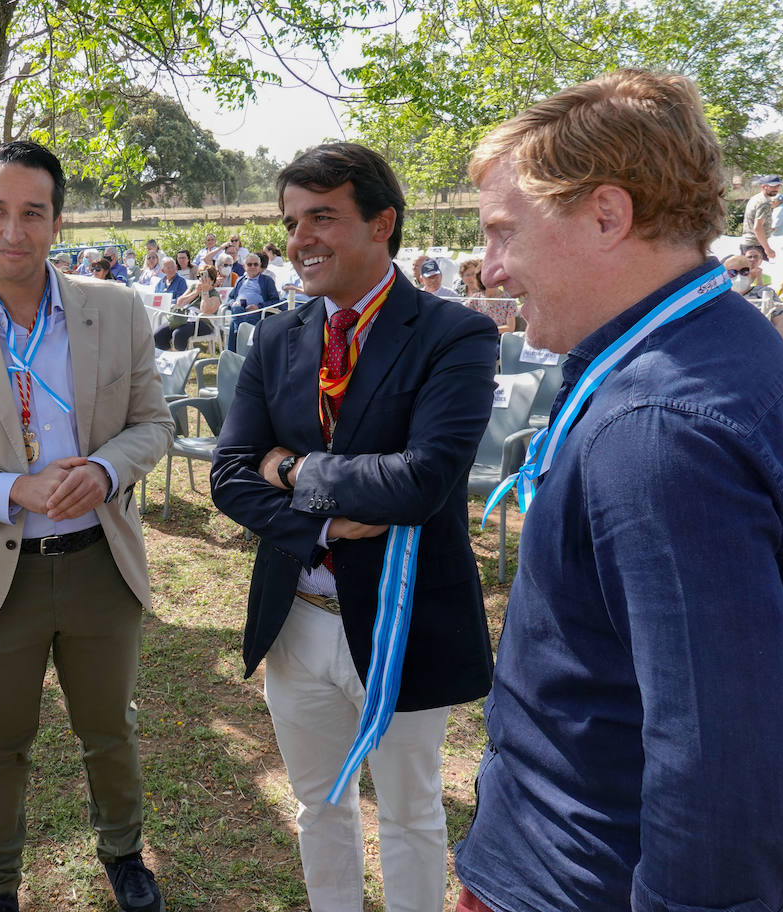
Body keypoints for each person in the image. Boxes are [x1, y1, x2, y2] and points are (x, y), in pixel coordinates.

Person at [453, 69, 783, 912]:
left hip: (578, 881)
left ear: (607, 214)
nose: (490, 269)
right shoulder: (717, 345)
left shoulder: (659, 426)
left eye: (505, 233)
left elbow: (721, 771)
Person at [209, 142, 498, 912]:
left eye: (323, 217)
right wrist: (328, 527)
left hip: (403, 619)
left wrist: (296, 468)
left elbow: (422, 480)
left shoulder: (455, 335)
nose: (301, 238)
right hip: (296, 617)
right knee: (317, 803)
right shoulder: (275, 336)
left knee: (410, 809)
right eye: (293, 220)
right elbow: (229, 472)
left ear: (383, 222)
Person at [0, 140, 173, 912]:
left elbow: (153, 423)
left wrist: (107, 470)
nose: (12, 231)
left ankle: (123, 853)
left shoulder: (115, 310)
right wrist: (14, 487)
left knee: (109, 729)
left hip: (98, 564)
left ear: (56, 222)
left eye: (32, 213)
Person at [224, 252, 281, 352]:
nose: (253, 267)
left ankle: (236, 350)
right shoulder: (240, 281)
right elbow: (230, 299)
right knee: (236, 310)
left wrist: (259, 307)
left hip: (257, 313)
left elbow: (275, 300)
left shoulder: (267, 281)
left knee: (235, 322)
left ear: (259, 266)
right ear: (244, 266)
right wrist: (233, 303)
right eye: (250, 264)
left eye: (256, 264)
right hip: (240, 311)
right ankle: (240, 341)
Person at [154, 265, 219, 351]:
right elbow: (179, 303)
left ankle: (181, 358)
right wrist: (195, 292)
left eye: (206, 277)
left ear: (212, 280)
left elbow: (205, 311)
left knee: (179, 334)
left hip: (203, 323)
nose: (202, 280)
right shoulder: (194, 287)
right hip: (185, 318)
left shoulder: (215, 294)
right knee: (159, 334)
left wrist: (205, 292)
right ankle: (170, 356)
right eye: (200, 276)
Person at [459, 260, 518, 334]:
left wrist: (485, 330)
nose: (491, 278)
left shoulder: (508, 299)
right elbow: (464, 320)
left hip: (499, 340)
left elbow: (510, 328)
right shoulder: (475, 298)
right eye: (485, 275)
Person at [741, 174, 782, 260]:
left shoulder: (756, 198)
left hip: (749, 243)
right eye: (773, 186)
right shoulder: (764, 203)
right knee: (758, 272)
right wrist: (767, 249)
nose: (776, 189)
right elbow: (757, 228)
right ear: (764, 187)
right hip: (755, 246)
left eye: (778, 186)